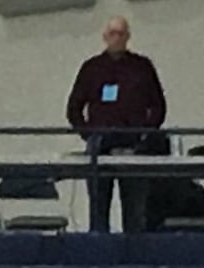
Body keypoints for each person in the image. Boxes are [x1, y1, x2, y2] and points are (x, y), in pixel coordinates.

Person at [66, 15, 167, 233]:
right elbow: (73, 108)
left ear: (128, 37)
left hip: (133, 146)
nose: (117, 38)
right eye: (112, 33)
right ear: (105, 37)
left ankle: (134, 258)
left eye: (121, 33)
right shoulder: (91, 68)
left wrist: (145, 134)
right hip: (99, 148)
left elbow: (158, 106)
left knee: (135, 211)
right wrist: (89, 134)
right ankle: (99, 257)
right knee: (98, 209)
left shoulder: (142, 67)